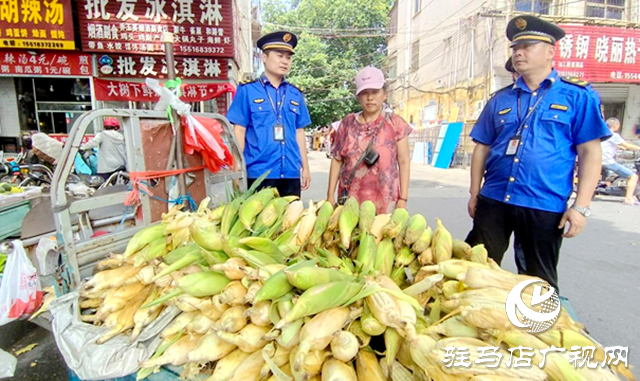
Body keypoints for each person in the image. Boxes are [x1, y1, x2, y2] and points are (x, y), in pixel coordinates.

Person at [465, 15, 611, 291]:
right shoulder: (501, 99)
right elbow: (482, 147)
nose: (519, 52)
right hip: (494, 199)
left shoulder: (577, 96)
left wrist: (580, 206)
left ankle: (536, 331)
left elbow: (590, 152)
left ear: (550, 52)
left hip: (544, 203)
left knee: (537, 282)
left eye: (528, 46)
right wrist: (475, 193)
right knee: (474, 268)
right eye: (515, 48)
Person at [227, 31, 312, 197]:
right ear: (264, 58)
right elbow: (239, 131)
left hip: (290, 173)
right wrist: (235, 168)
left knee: (291, 222)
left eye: (288, 57)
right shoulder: (247, 90)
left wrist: (305, 168)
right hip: (259, 175)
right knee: (259, 222)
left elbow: (299, 132)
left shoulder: (295, 94)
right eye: (280, 55)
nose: (285, 61)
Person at [327, 67, 412, 214]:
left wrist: (403, 199)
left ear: (384, 94)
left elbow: (404, 162)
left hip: (385, 201)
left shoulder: (396, 124)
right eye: (364, 93)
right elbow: (337, 160)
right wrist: (330, 196)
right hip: (350, 200)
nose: (370, 98)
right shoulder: (347, 123)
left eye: (375, 92)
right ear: (358, 96)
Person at [601, 117, 640, 205]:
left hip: (599, 161)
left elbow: (608, 145)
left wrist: (620, 147)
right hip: (608, 162)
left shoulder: (602, 133)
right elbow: (627, 146)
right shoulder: (614, 135)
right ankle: (628, 198)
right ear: (616, 125)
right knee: (633, 177)